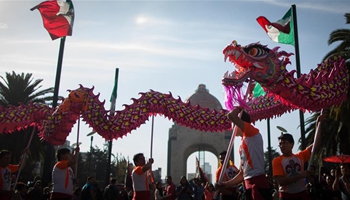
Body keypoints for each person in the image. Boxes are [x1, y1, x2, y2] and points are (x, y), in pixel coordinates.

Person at [218, 107, 272, 200]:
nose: (231, 126)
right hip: (247, 186)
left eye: (233, 124)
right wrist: (225, 184)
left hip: (258, 184)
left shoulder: (252, 132)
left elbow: (231, 116)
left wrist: (239, 107)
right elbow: (242, 173)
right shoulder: (242, 145)